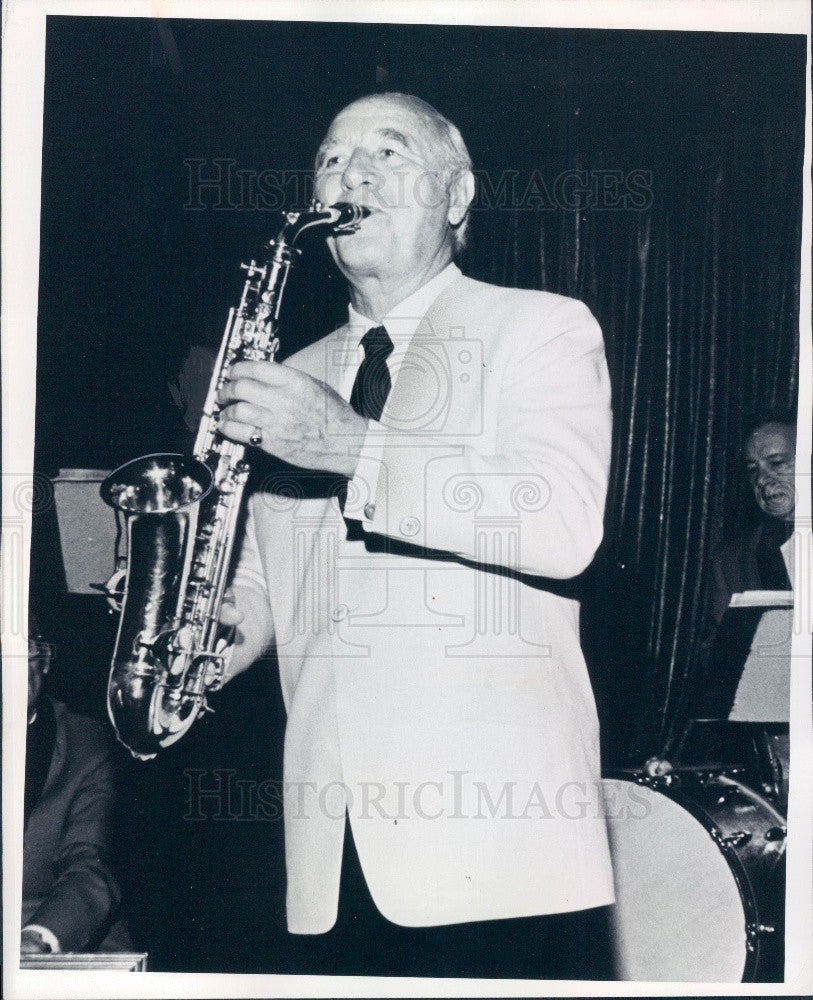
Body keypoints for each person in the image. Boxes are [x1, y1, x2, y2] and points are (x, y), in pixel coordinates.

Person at [216, 92, 615, 978]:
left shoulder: (538, 327)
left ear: (457, 194)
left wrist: (350, 445)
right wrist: (201, 634)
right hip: (329, 848)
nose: (349, 173)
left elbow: (560, 525)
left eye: (386, 153)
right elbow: (266, 590)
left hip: (498, 842)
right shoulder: (289, 376)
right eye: (329, 157)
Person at [21, 620, 131, 955]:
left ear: (45, 660)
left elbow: (90, 864)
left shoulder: (86, 744)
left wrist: (39, 937)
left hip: (55, 934)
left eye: (23, 655)